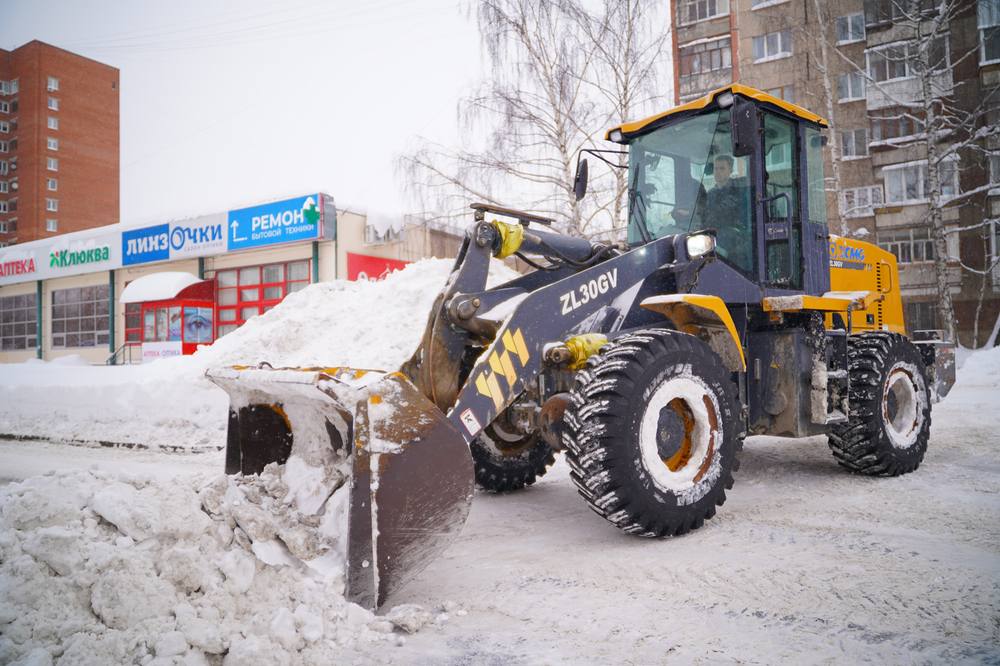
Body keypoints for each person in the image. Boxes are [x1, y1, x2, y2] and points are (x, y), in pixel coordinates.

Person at [705, 154, 751, 270]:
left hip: (737, 235)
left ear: (730, 170)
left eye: (722, 168)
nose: (718, 172)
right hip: (715, 234)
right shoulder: (710, 194)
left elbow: (740, 214)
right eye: (716, 168)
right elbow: (704, 216)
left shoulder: (740, 189)